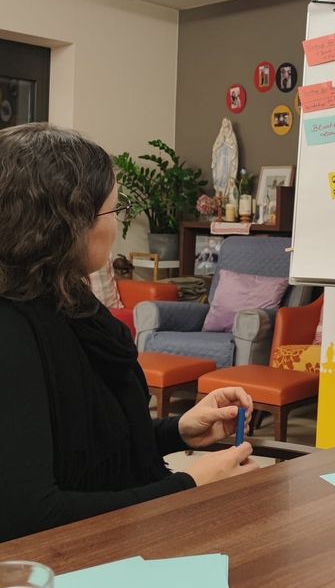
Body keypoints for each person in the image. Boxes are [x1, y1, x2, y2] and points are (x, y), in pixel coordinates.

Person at [0, 124, 258, 542]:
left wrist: (178, 430)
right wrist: (189, 484)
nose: (116, 228)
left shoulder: (70, 305)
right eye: (112, 212)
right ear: (64, 223)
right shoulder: (12, 331)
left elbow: (88, 447)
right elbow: (31, 515)